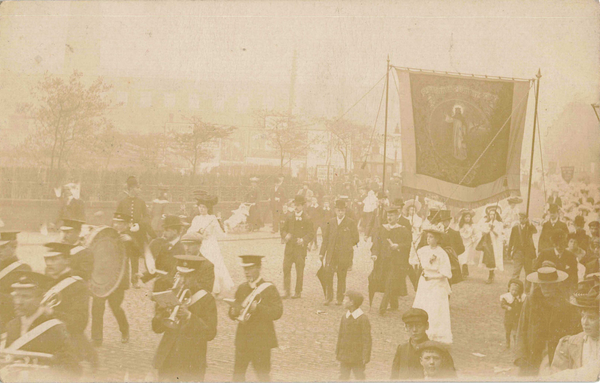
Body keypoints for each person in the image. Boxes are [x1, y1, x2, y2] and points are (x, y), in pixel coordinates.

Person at [152, 255, 218, 382]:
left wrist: (189, 316)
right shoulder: (171, 294)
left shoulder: (206, 299)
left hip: (191, 361)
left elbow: (210, 333)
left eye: (186, 276)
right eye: (180, 275)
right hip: (168, 359)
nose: (181, 280)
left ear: (195, 277)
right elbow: (156, 328)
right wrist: (161, 313)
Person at [4, 271, 81, 379]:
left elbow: (72, 372)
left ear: (41, 298)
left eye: (25, 296)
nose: (18, 302)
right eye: (16, 295)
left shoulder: (55, 328)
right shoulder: (12, 325)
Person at [515, 263, 582, 376]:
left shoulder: (566, 305)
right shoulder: (530, 302)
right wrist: (521, 356)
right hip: (532, 353)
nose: (546, 288)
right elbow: (522, 329)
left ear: (556, 285)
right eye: (543, 285)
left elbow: (572, 334)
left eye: (550, 285)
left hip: (555, 356)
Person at [228, 255, 283, 382]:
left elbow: (277, 312)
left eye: (250, 268)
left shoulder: (269, 288)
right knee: (238, 375)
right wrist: (233, 312)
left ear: (259, 268)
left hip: (261, 341)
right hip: (243, 339)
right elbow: (234, 311)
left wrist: (257, 308)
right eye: (245, 269)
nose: (247, 272)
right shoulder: (242, 288)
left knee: (263, 375)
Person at [43, 242, 97, 368]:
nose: (49, 263)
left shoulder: (77, 285)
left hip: (67, 346)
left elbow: (79, 322)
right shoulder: (46, 280)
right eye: (47, 259)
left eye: (54, 259)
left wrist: (52, 313)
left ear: (67, 260)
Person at [91, 212, 131, 346]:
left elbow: (137, 253)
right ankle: (96, 339)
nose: (117, 225)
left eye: (120, 223)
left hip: (118, 281)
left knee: (115, 307)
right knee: (97, 308)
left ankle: (124, 329)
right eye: (115, 222)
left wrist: (130, 241)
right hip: (102, 279)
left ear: (126, 225)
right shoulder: (108, 235)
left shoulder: (128, 239)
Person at [548, 277, 600, 380]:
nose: (585, 322)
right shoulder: (569, 344)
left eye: (591, 318)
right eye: (583, 316)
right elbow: (557, 377)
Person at [411, 226, 453, 344]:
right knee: (423, 305)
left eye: (431, 237)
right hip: (424, 282)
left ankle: (435, 333)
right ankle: (421, 332)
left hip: (437, 283)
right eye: (428, 237)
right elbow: (413, 260)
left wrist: (432, 277)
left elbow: (446, 273)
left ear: (437, 239)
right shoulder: (423, 250)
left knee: (435, 308)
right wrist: (412, 246)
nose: (429, 239)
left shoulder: (442, 253)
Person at [187, 192, 233, 295]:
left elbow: (220, 233)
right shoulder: (196, 219)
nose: (201, 209)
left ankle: (214, 289)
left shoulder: (212, 219)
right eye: (200, 207)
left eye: (204, 207)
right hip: (199, 245)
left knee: (213, 265)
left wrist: (222, 225)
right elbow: (189, 232)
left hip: (210, 245)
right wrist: (197, 232)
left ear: (208, 208)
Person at [370, 205, 412, 315]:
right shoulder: (382, 228)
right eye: (388, 215)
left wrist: (398, 246)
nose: (389, 218)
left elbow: (408, 244)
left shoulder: (403, 230)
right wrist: (374, 254)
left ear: (397, 217)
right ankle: (394, 304)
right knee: (386, 281)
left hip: (396, 261)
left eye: (392, 215)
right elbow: (376, 243)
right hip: (383, 261)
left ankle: (382, 308)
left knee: (390, 282)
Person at [116, 176, 156, 287]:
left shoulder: (141, 202)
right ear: (131, 188)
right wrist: (123, 228)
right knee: (124, 258)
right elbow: (117, 218)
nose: (139, 190)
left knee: (134, 258)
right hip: (125, 234)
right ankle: (122, 282)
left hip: (137, 234)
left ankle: (134, 281)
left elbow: (147, 217)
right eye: (137, 188)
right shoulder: (122, 202)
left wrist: (139, 225)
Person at [320, 199, 360, 305]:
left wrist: (346, 246)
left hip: (343, 255)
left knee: (341, 277)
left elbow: (356, 238)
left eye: (342, 210)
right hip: (332, 254)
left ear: (345, 211)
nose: (340, 212)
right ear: (335, 210)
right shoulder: (331, 222)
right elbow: (325, 239)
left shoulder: (350, 223)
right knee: (329, 276)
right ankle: (329, 297)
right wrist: (322, 253)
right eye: (338, 210)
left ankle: (340, 298)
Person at [280, 195, 314, 299]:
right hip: (289, 248)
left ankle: (298, 291)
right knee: (286, 268)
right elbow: (283, 229)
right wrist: (286, 235)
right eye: (295, 205)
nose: (296, 207)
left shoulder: (307, 218)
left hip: (300, 249)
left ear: (303, 206)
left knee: (299, 270)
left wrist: (303, 240)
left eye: (299, 205)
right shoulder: (289, 217)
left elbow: (311, 233)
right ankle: (286, 291)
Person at [143, 215, 187, 292]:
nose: (164, 233)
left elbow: (176, 274)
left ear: (175, 231)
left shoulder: (181, 250)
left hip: (171, 290)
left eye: (167, 230)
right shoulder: (165, 246)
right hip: (160, 287)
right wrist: (143, 277)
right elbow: (157, 267)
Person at [336, 290, 372, 381]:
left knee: (359, 377)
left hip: (357, 357)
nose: (343, 301)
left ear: (352, 302)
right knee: (343, 377)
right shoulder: (345, 317)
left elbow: (367, 339)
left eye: (346, 299)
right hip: (345, 355)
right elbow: (341, 335)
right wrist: (338, 351)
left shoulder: (363, 319)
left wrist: (365, 356)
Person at [0, 231, 32, 333]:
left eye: (3, 247)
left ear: (14, 246)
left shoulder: (23, 269)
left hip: (5, 323)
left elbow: (18, 301)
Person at [391, 308, 431, 380]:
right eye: (410, 326)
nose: (414, 330)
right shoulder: (402, 349)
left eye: (419, 326)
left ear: (427, 326)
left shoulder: (436, 349)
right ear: (405, 327)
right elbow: (394, 376)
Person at [477, 205, 505, 284]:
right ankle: (491, 274)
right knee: (488, 258)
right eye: (490, 214)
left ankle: (491, 275)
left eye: (493, 214)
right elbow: (483, 232)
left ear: (496, 215)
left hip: (495, 243)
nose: (492, 216)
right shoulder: (486, 223)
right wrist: (487, 229)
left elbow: (498, 234)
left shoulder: (499, 223)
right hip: (488, 242)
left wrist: (493, 229)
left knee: (493, 258)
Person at [508, 213, 537, 281]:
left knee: (528, 272)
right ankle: (513, 287)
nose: (521, 220)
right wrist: (509, 251)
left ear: (526, 219)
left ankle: (527, 290)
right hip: (518, 252)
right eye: (520, 218)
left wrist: (529, 224)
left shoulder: (529, 227)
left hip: (528, 253)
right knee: (516, 272)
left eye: (523, 218)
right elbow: (511, 240)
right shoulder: (515, 228)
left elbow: (535, 231)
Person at [500, 278, 526, 349]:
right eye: (512, 290)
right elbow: (502, 304)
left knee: (516, 331)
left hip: (517, 317)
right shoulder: (506, 297)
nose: (514, 292)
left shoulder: (521, 298)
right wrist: (507, 307)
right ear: (509, 289)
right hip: (509, 317)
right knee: (508, 331)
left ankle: (516, 343)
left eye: (516, 291)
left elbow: (524, 305)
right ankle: (507, 342)